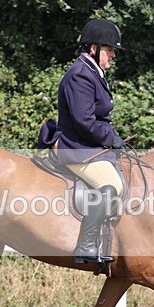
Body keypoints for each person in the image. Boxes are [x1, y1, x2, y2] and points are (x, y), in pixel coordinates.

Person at [49, 18, 126, 266]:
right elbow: (84, 121)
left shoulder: (93, 72)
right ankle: (86, 244)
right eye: (109, 49)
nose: (113, 55)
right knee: (111, 184)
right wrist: (110, 138)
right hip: (74, 146)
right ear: (93, 48)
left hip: (87, 145)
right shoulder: (80, 75)